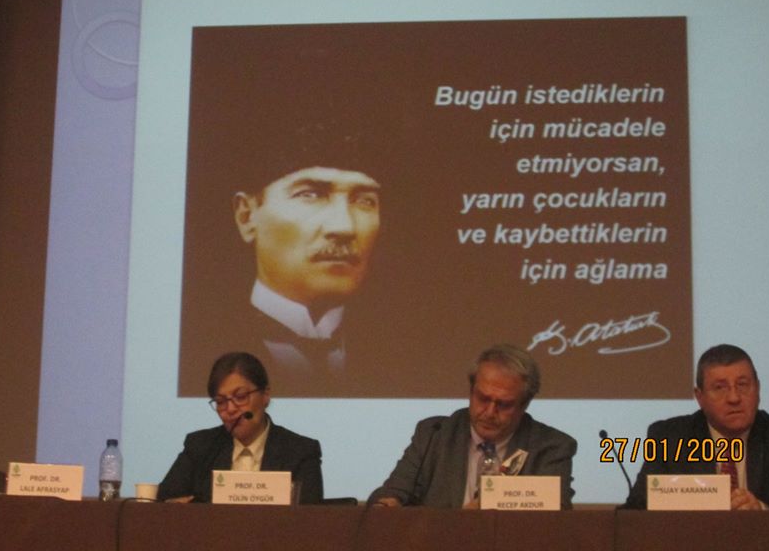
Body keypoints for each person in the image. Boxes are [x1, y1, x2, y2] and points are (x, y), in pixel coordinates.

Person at [230, 120, 382, 389]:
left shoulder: (404, 352)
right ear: (247, 216)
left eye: (364, 200)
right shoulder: (200, 340)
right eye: (310, 194)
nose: (344, 227)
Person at [367, 344, 576, 509]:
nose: (490, 412)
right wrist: (388, 503)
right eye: (483, 398)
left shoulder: (551, 447)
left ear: (525, 404)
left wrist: (488, 505)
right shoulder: (434, 434)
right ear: (471, 391)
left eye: (504, 404)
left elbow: (555, 511)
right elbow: (393, 492)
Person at [623, 343, 769, 510]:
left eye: (743, 385)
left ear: (757, 389)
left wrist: (763, 511)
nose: (734, 398)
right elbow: (635, 512)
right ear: (700, 397)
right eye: (720, 388)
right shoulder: (670, 438)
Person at [157, 351, 324, 503]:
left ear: (265, 395)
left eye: (241, 396)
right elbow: (163, 503)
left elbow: (310, 518)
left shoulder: (300, 452)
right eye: (221, 401)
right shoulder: (201, 447)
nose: (230, 409)